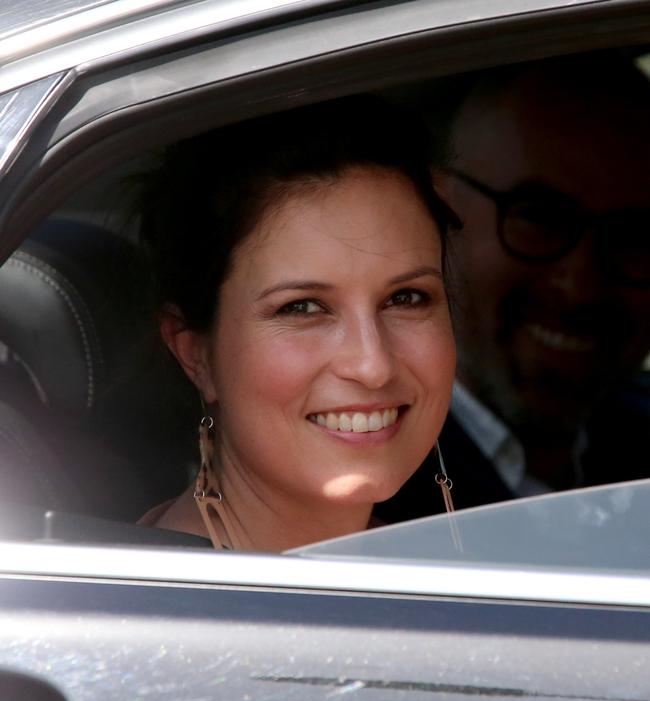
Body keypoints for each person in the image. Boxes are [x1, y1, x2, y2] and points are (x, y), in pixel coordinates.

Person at [137, 97, 457, 551]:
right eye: (303, 307)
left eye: (405, 298)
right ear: (195, 353)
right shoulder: (157, 609)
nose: (373, 365)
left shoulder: (417, 569)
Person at [377, 54, 650, 522]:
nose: (580, 286)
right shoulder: (362, 489)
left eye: (632, 237)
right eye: (539, 217)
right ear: (438, 216)